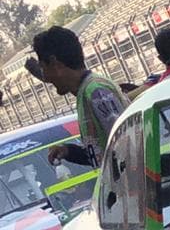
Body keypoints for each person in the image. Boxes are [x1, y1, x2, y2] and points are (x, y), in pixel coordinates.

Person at [31, 26, 128, 168]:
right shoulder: (85, 93)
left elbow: (127, 146)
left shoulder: (96, 92)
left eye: (43, 67)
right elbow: (104, 155)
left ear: (55, 64)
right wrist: (69, 152)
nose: (45, 77)